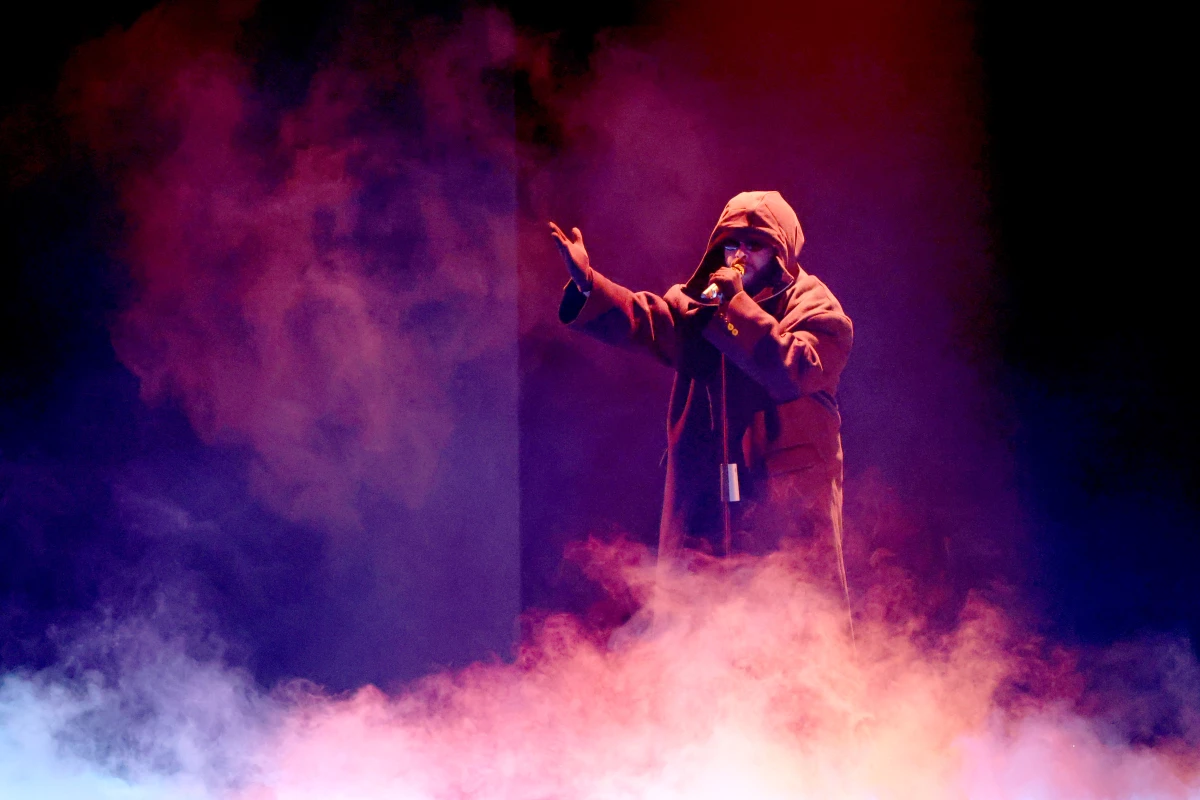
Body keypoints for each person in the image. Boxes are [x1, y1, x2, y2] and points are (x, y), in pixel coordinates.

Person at [551, 191, 853, 584]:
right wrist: (590, 284)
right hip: (710, 494)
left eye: (756, 244)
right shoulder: (704, 301)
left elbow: (791, 373)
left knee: (787, 625)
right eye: (732, 243)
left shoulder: (817, 310)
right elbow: (649, 323)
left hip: (780, 499)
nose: (740, 255)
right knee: (700, 619)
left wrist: (738, 305)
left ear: (782, 251)